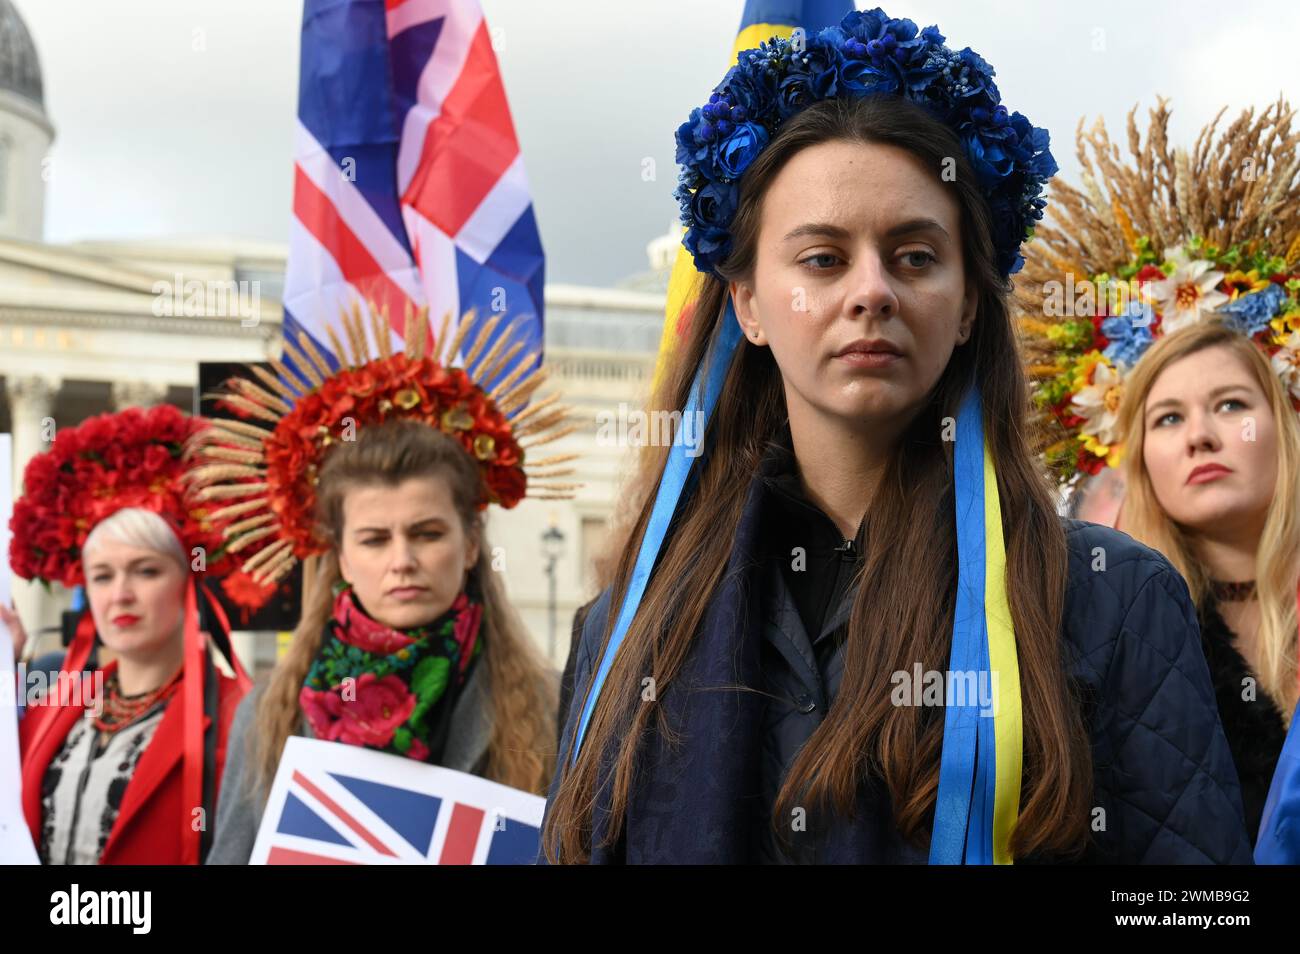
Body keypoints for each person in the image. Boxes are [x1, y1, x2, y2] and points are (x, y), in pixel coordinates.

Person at [544, 8, 1252, 864]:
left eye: (915, 256)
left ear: (964, 307)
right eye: (822, 258)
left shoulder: (1111, 601)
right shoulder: (624, 629)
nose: (871, 290)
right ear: (749, 305)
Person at [1019, 98, 1300, 842]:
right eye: (1167, 418)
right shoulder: (1099, 628)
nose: (1200, 437)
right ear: (1138, 457)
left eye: (1231, 404)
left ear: (1286, 424)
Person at [199, 305, 571, 863]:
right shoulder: (266, 715)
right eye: (374, 539)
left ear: (471, 543)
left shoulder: (553, 708)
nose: (403, 560)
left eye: (426, 534)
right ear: (342, 557)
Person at [5, 404, 250, 864]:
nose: (120, 594)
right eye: (102, 576)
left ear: (188, 581)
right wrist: (5, 660)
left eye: (146, 571)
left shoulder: (242, 719)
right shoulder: (48, 707)